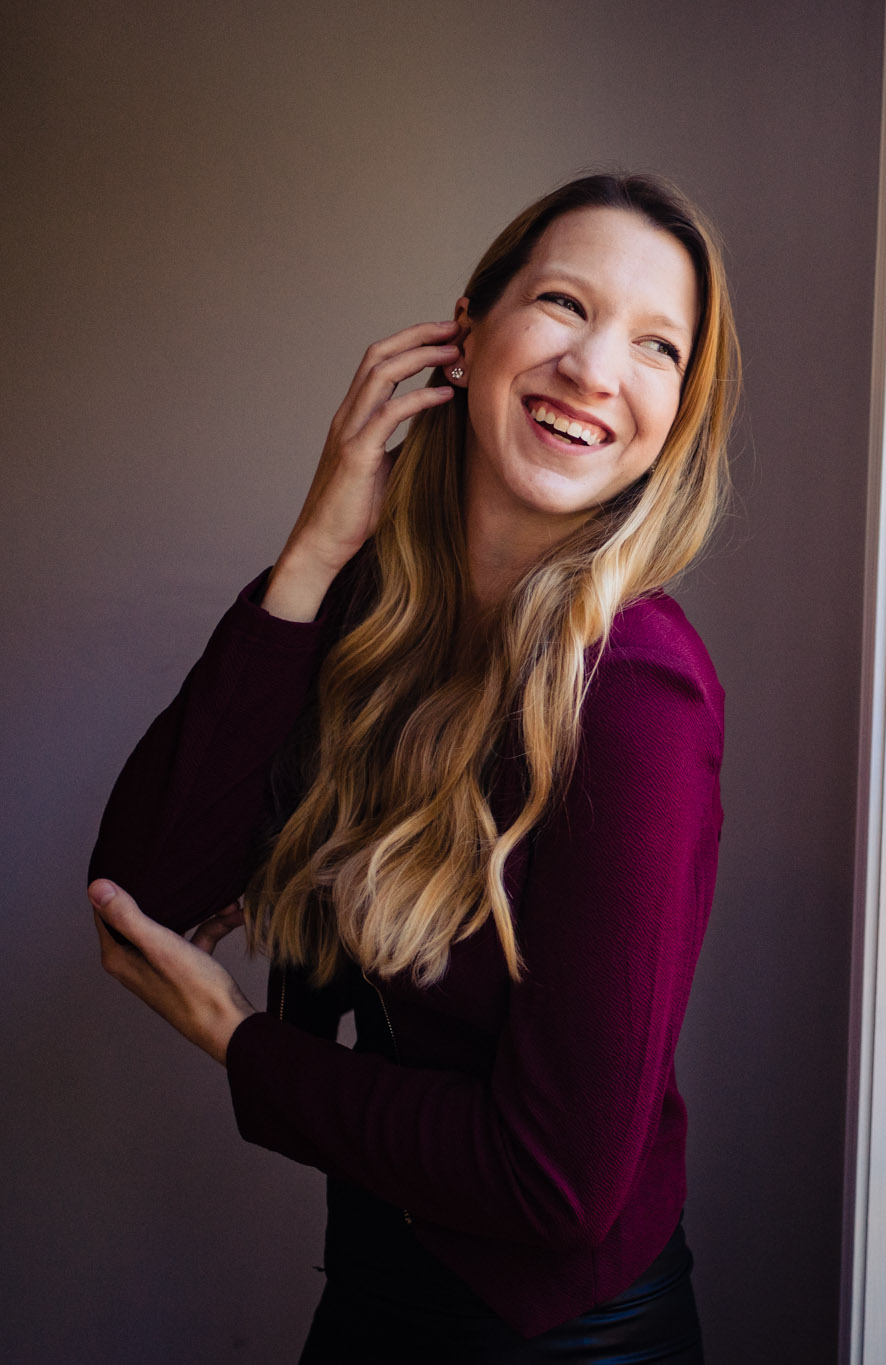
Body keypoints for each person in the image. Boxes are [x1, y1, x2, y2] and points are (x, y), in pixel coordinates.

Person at [85, 171, 739, 1362]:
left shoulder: (638, 690)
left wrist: (247, 1047)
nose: (595, 370)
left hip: (555, 1341)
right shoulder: (380, 615)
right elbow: (141, 891)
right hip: (381, 1289)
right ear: (465, 334)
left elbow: (553, 1183)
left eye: (656, 346)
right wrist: (315, 546)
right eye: (562, 303)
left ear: (678, 415)